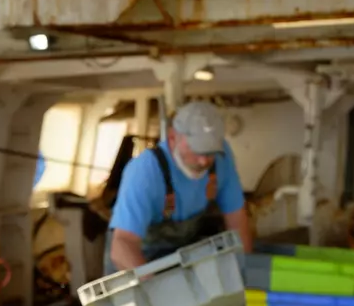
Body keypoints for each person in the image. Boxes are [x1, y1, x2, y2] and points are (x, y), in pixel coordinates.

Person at [105, 101, 251, 272]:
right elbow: (122, 245)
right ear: (173, 138)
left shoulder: (222, 157)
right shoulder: (145, 171)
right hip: (136, 259)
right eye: (197, 150)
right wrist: (150, 287)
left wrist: (245, 271)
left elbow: (237, 219)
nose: (204, 161)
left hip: (182, 254)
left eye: (209, 152)